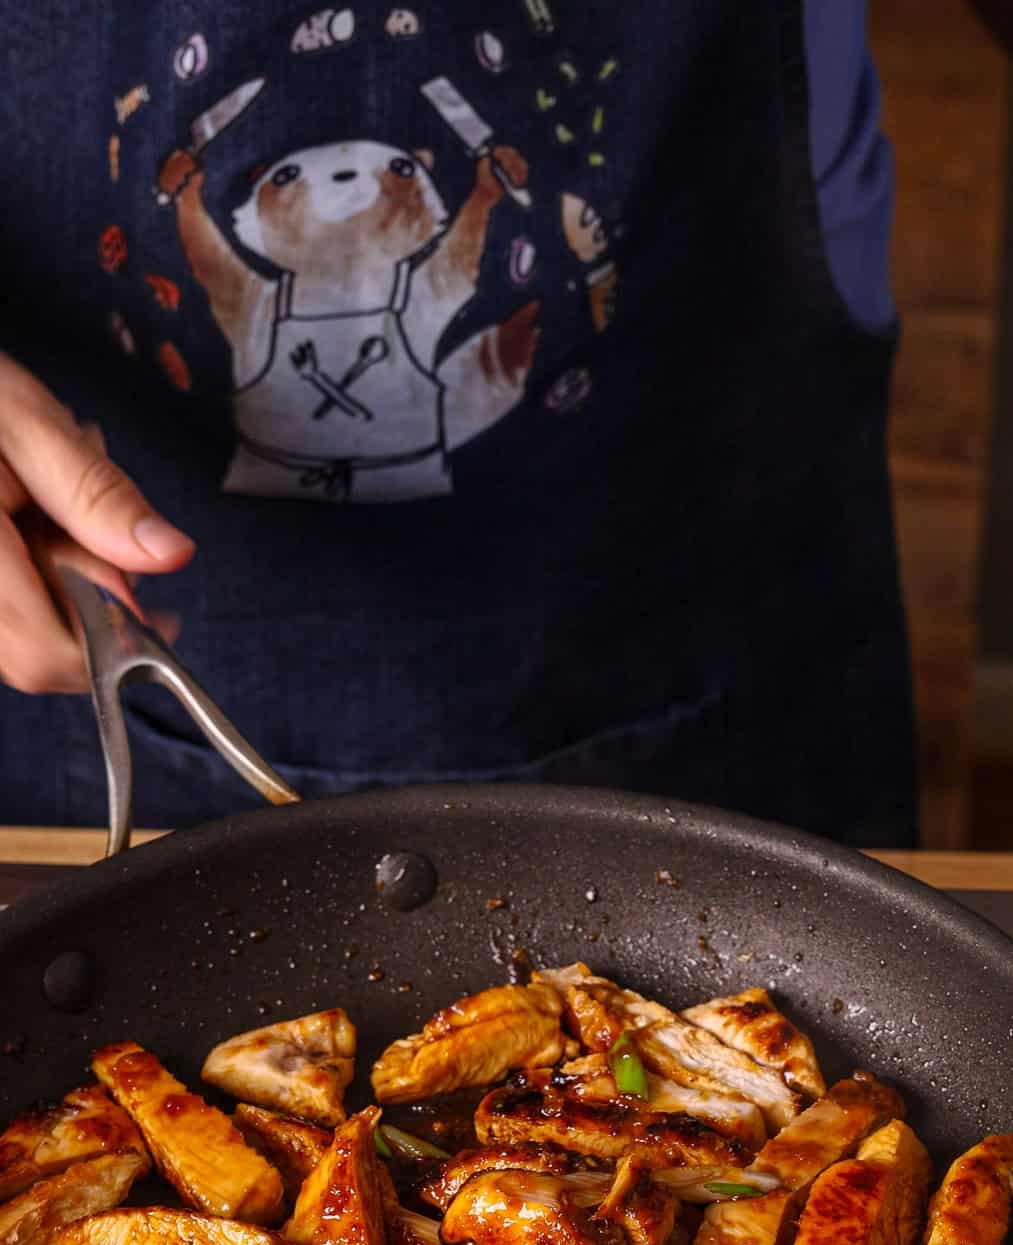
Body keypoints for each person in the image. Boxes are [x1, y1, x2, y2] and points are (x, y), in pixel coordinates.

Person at [0, 1, 914, 842]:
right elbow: (207, 262)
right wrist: (191, 202)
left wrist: (482, 196)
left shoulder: (429, 284)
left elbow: (463, 258)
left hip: (708, 660)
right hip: (87, 659)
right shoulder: (252, 298)